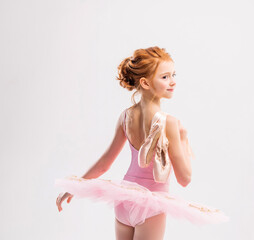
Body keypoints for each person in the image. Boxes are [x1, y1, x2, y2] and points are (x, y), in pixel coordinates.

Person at [55, 46, 228, 240]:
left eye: (173, 75)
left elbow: (105, 163)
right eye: (165, 77)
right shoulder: (169, 123)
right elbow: (184, 179)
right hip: (151, 206)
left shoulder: (125, 116)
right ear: (145, 83)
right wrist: (183, 137)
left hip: (124, 199)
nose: (173, 82)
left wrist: (75, 187)